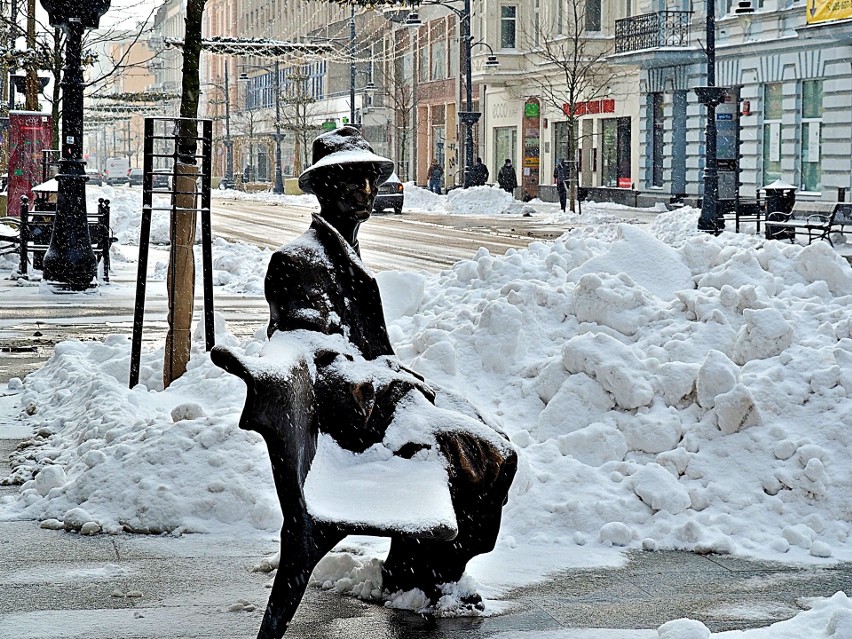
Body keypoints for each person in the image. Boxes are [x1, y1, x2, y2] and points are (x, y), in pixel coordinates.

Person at [261, 125, 517, 604]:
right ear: (324, 189)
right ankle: (426, 575)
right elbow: (320, 361)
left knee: (487, 433)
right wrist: (391, 387)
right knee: (483, 451)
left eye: (370, 181)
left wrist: (394, 380)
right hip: (351, 426)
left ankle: (419, 569)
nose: (366, 192)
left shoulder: (341, 253)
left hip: (370, 405)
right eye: (351, 180)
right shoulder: (298, 261)